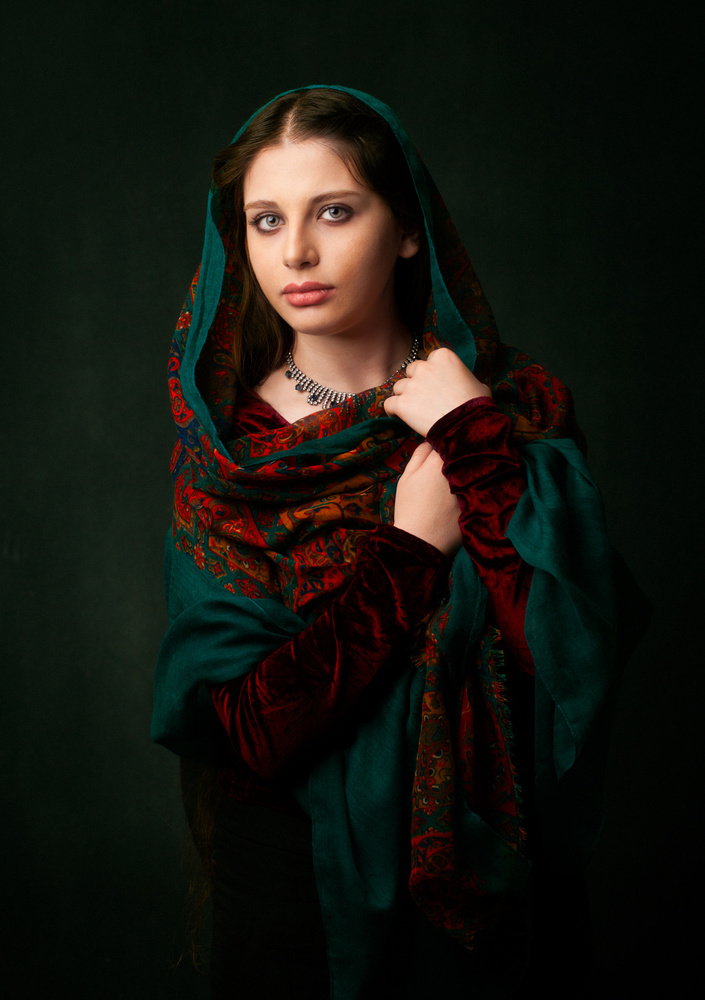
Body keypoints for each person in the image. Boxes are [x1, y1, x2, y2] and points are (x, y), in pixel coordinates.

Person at [151, 86, 643, 1000]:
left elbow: (567, 655)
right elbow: (252, 729)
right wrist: (411, 549)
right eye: (267, 220)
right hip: (292, 889)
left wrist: (471, 437)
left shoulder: (509, 412)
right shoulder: (232, 459)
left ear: (408, 228)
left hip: (500, 880)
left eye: (334, 211)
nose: (296, 252)